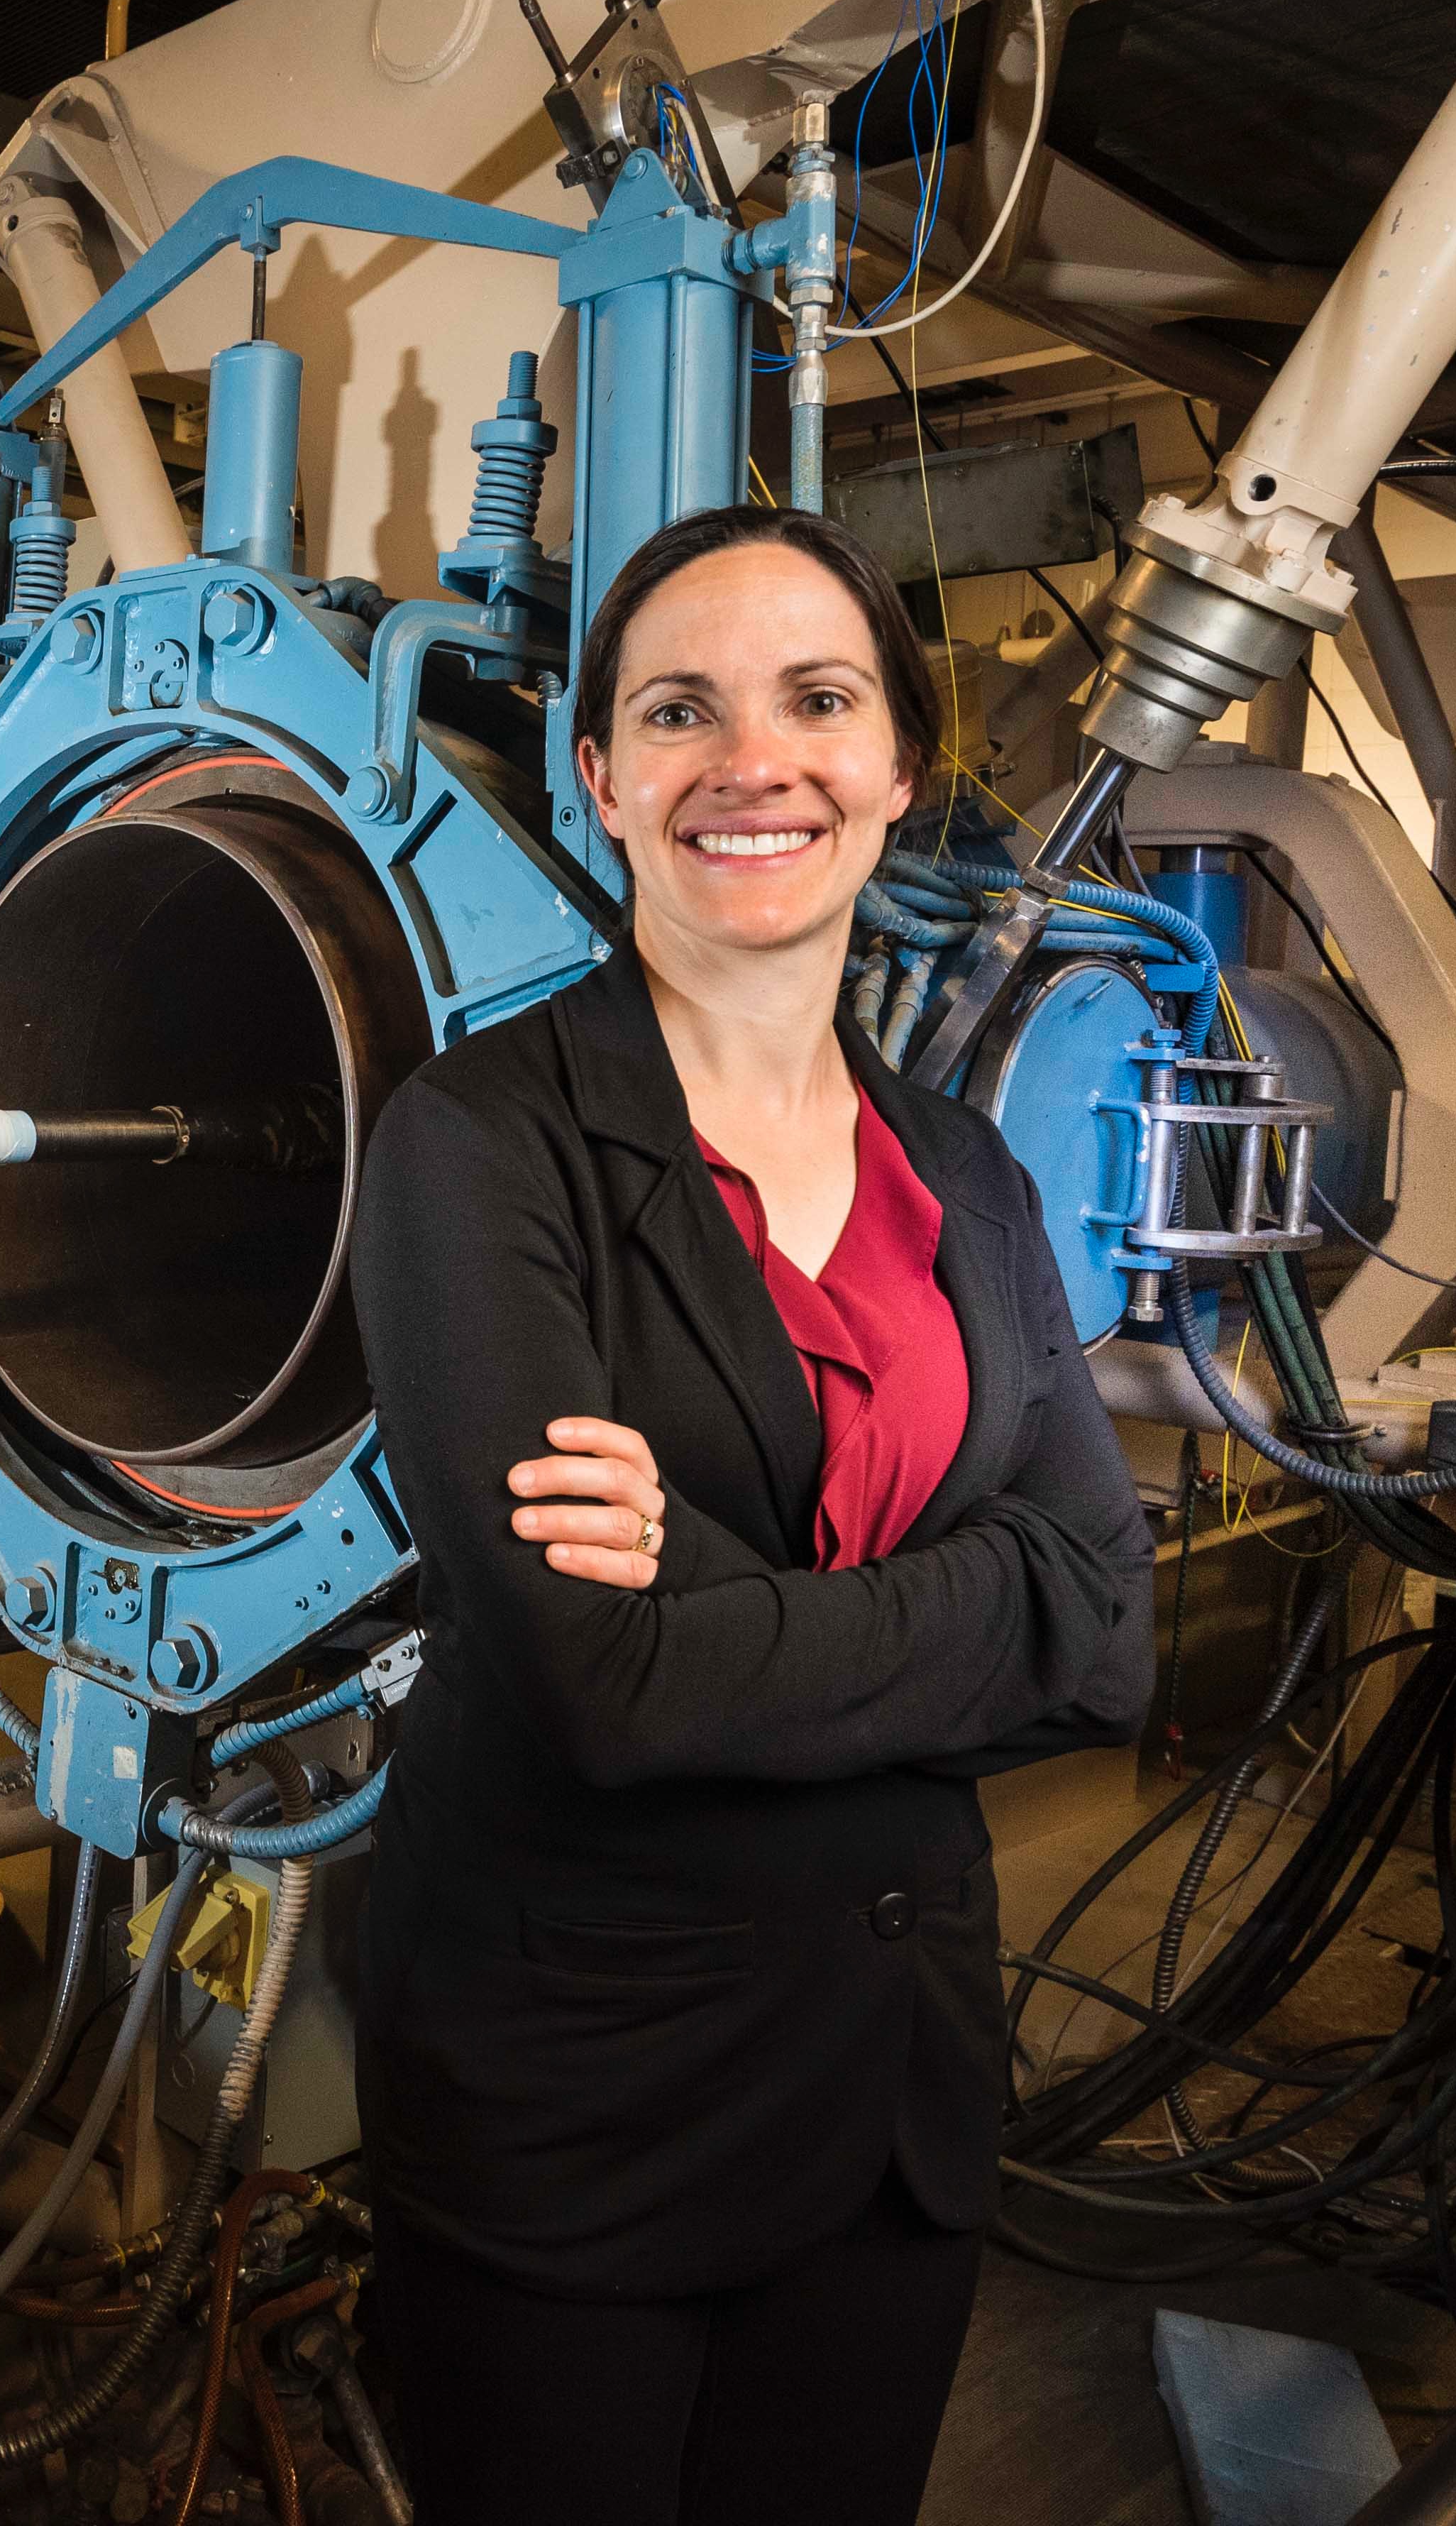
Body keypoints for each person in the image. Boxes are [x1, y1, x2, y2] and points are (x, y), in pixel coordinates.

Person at [344, 502, 1154, 2521]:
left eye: (817, 701)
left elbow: (1112, 1628)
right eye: (680, 712)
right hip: (585, 2115)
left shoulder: (964, 1173)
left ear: (893, 766)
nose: (754, 761)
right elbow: (601, 1686)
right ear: (602, 777)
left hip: (891, 2099)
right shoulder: (478, 1147)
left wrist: (718, 1595)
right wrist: (970, 1602)